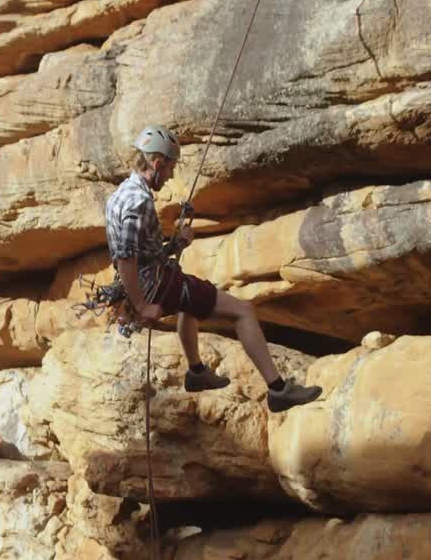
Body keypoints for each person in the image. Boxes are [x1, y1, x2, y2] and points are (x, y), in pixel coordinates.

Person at [104, 125, 322, 412]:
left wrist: (174, 244)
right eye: (170, 168)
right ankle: (278, 389)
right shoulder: (139, 200)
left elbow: (138, 252)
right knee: (243, 311)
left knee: (192, 302)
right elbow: (126, 257)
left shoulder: (120, 194)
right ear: (157, 163)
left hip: (148, 280)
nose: (170, 176)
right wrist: (142, 306)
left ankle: (196, 372)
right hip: (155, 286)